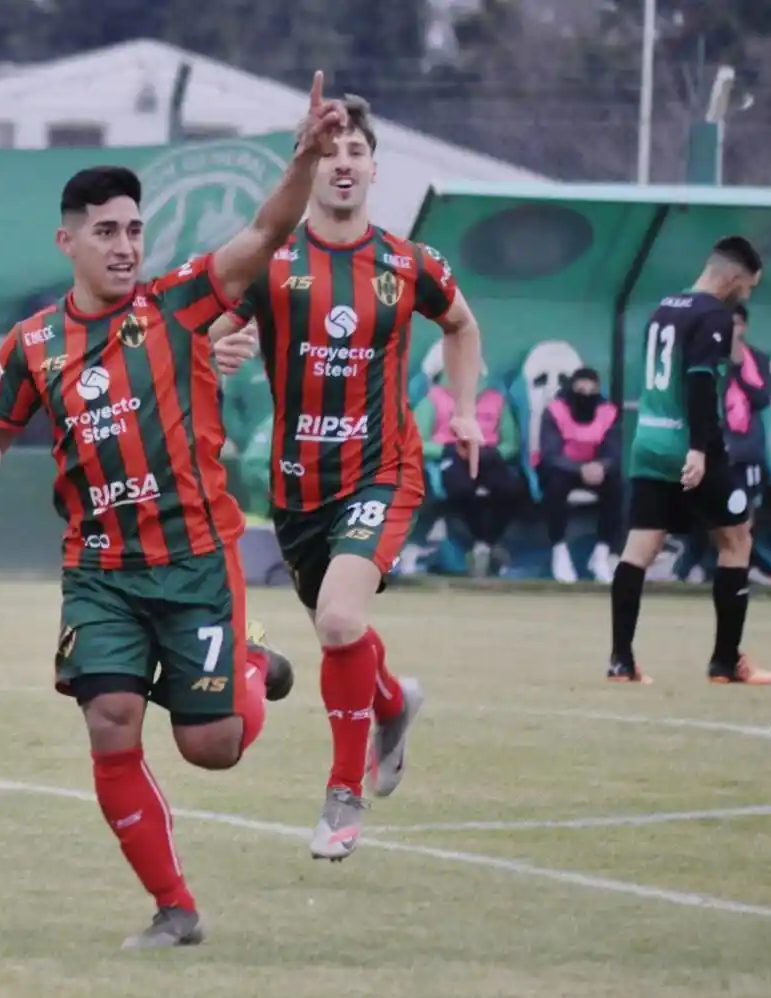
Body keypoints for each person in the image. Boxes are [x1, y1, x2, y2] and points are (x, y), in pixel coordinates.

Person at [0, 73, 345, 949]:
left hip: (195, 562)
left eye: (134, 230)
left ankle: (246, 662)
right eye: (107, 232)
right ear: (69, 241)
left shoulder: (177, 306)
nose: (125, 246)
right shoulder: (34, 344)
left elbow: (266, 232)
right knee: (109, 721)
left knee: (213, 748)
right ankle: (175, 909)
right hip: (100, 572)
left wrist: (304, 158)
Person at [208, 95, 486, 861]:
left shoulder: (408, 264)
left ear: (372, 167)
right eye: (328, 149)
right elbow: (202, 342)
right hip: (297, 489)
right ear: (312, 162)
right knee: (342, 631)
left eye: (355, 150)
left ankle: (342, 796)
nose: (342, 163)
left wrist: (463, 412)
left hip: (383, 472)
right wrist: (219, 351)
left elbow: (461, 324)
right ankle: (393, 704)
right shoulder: (272, 263)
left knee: (336, 621)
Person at [608, 237, 771, 686]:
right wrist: (701, 450)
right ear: (732, 277)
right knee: (737, 540)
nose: (746, 295)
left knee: (638, 549)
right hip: (690, 446)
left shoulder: (665, 308)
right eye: (747, 287)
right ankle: (725, 662)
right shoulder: (713, 316)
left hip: (648, 442)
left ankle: (621, 660)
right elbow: (701, 384)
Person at [685, 305, 771, 584]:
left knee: (745, 514)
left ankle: (740, 567)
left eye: (736, 324)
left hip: (746, 451)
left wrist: (739, 366)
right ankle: (697, 565)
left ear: (744, 327)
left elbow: (761, 398)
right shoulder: (708, 357)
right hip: (715, 450)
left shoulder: (757, 360)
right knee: (709, 511)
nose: (731, 329)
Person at [416, 374, 523, 577]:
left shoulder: (496, 399)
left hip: (488, 455)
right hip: (451, 455)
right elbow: (417, 440)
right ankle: (479, 545)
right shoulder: (434, 398)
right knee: (462, 489)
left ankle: (484, 543)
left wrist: (494, 452)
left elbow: (511, 443)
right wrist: (445, 450)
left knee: (511, 490)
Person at [538, 367, 621, 584]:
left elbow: (613, 450)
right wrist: (578, 469)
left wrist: (601, 466)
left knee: (618, 488)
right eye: (581, 390)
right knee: (554, 486)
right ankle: (559, 550)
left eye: (591, 390)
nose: (586, 396)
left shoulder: (608, 412)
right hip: (563, 469)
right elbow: (550, 454)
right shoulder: (555, 410)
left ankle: (602, 554)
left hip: (594, 469)